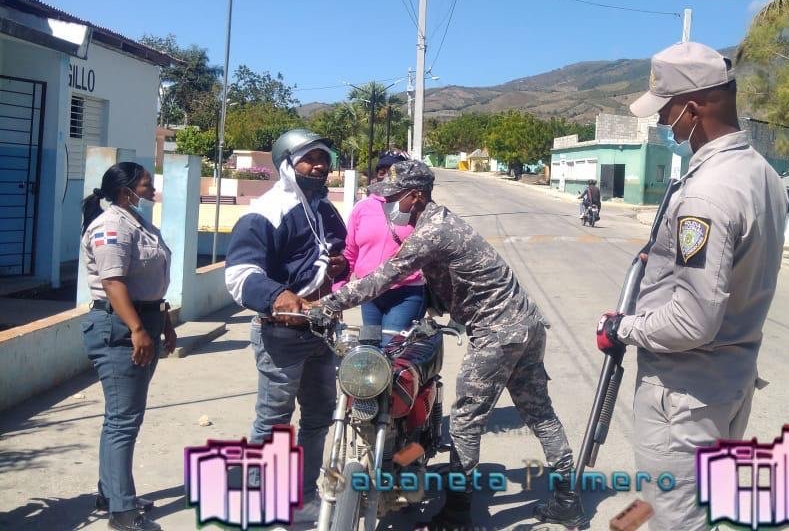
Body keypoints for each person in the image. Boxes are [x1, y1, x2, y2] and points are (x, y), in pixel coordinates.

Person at [317, 160, 586, 530]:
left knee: (465, 422)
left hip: (496, 330)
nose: (389, 204)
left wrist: (328, 304)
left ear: (416, 196)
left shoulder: (434, 231)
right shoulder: (440, 223)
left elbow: (384, 276)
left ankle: (458, 512)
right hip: (525, 323)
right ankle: (567, 500)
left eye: (394, 198)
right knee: (539, 411)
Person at [595, 42, 787, 530]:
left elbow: (692, 321)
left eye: (666, 110)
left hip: (683, 394)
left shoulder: (706, 194)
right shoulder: (762, 174)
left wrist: (622, 329)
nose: (664, 121)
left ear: (693, 109)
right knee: (702, 512)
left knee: (674, 519)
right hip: (728, 383)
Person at [224, 128, 348, 521]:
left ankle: (304, 496)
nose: (320, 166)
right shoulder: (265, 211)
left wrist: (338, 266)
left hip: (322, 331)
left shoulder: (324, 209)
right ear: (288, 164)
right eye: (310, 158)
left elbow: (338, 250)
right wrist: (277, 296)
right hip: (282, 334)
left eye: (324, 158)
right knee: (274, 421)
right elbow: (240, 274)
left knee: (319, 416)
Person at [81, 162, 174, 531]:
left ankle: (111, 494)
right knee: (123, 420)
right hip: (119, 327)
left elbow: (152, 281)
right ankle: (121, 512)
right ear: (125, 191)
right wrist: (137, 329)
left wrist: (164, 323)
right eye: (146, 185)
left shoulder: (135, 220)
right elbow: (113, 282)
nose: (152, 190)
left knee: (120, 418)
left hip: (145, 320)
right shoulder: (111, 226)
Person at [342, 150, 425, 345]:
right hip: (369, 293)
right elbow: (350, 252)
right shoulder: (362, 208)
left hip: (405, 293)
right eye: (382, 171)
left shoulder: (417, 208)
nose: (387, 176)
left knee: (391, 349)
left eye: (394, 171)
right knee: (371, 350)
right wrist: (340, 291)